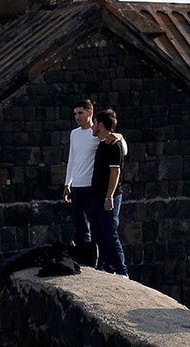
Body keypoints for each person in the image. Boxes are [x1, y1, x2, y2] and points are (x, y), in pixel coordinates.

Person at [62, 99, 126, 266]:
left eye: (80, 113)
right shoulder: (74, 134)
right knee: (80, 226)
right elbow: (72, 158)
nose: (77, 116)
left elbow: (122, 149)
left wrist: (119, 136)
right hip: (76, 185)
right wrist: (67, 183)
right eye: (75, 113)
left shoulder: (96, 133)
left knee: (97, 227)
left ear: (89, 113)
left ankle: (99, 261)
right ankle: (84, 260)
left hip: (91, 185)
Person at [89, 108, 128, 278]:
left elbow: (115, 172)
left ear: (102, 125)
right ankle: (105, 265)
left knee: (110, 232)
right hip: (97, 195)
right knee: (98, 232)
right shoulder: (104, 143)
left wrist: (109, 196)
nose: (92, 127)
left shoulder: (114, 145)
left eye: (95, 123)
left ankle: (121, 270)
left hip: (108, 196)